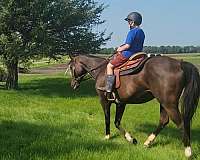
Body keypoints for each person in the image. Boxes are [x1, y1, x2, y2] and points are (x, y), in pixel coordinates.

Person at [106, 12, 145, 99]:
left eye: (129, 21)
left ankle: (109, 89)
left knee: (109, 66)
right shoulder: (141, 32)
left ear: (133, 22)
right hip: (138, 54)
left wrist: (119, 49)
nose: (128, 23)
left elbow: (128, 45)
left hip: (128, 54)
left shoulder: (132, 32)